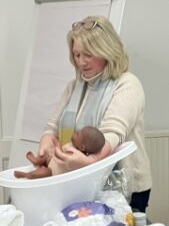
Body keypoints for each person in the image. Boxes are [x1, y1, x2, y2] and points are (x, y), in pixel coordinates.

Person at [37, 15, 152, 213]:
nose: (81, 62)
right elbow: (52, 127)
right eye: (76, 55)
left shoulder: (128, 84)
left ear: (107, 51)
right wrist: (46, 145)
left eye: (88, 55)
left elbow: (111, 133)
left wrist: (89, 162)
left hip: (125, 188)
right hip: (82, 184)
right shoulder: (74, 86)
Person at [14, 126, 105, 179]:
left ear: (82, 147)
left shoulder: (76, 155)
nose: (76, 131)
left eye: (78, 134)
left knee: (45, 172)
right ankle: (37, 161)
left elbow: (60, 156)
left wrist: (57, 146)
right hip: (51, 161)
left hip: (53, 171)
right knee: (45, 155)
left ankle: (26, 175)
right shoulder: (72, 146)